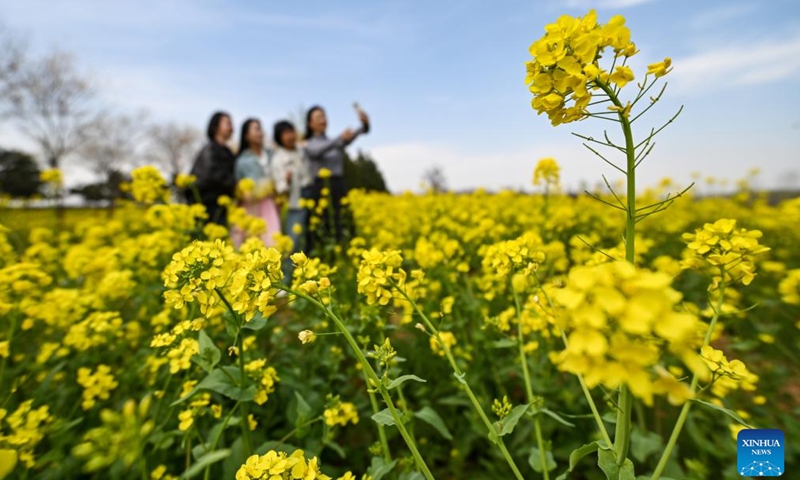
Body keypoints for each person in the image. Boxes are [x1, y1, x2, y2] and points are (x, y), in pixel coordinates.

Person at [304, 105, 369, 251]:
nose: (323, 120)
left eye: (324, 116)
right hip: (320, 189)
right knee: (322, 228)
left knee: (343, 225)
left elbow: (356, 134)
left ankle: (345, 255)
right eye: (319, 117)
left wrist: (364, 124)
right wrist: (340, 138)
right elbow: (317, 151)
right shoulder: (308, 144)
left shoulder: (335, 141)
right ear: (310, 124)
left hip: (338, 186)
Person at [271, 120, 314, 283]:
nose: (291, 136)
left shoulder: (301, 150)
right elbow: (279, 187)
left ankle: (307, 277)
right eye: (286, 133)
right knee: (293, 243)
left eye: (292, 131)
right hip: (294, 203)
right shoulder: (277, 159)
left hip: (310, 195)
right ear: (279, 138)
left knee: (310, 238)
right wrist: (286, 181)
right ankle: (286, 280)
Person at [233, 118, 282, 247]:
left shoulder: (272, 155)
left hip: (271, 205)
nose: (260, 132)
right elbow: (239, 187)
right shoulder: (242, 160)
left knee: (272, 243)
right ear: (246, 135)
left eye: (260, 128)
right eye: (256, 129)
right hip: (251, 206)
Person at [189, 111, 236, 226]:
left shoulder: (227, 151)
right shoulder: (210, 149)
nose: (232, 128)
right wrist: (236, 185)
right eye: (228, 123)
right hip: (207, 206)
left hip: (221, 206)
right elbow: (212, 175)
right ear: (216, 127)